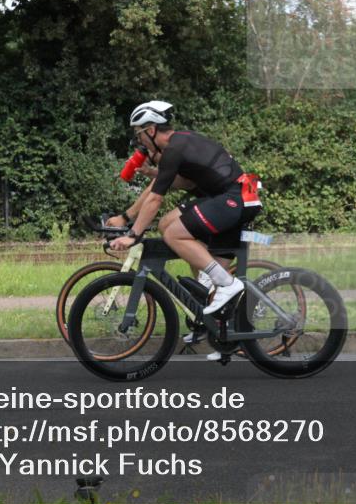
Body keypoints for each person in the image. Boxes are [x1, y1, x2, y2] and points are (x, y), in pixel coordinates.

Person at [105, 101, 262, 357]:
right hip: (230, 198)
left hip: (235, 198)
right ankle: (220, 332)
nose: (140, 141)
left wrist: (133, 235)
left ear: (152, 130)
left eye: (140, 134)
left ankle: (224, 283)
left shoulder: (174, 148)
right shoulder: (178, 145)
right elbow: (181, 181)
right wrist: (153, 175)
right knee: (169, 224)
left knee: (173, 232)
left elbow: (156, 198)